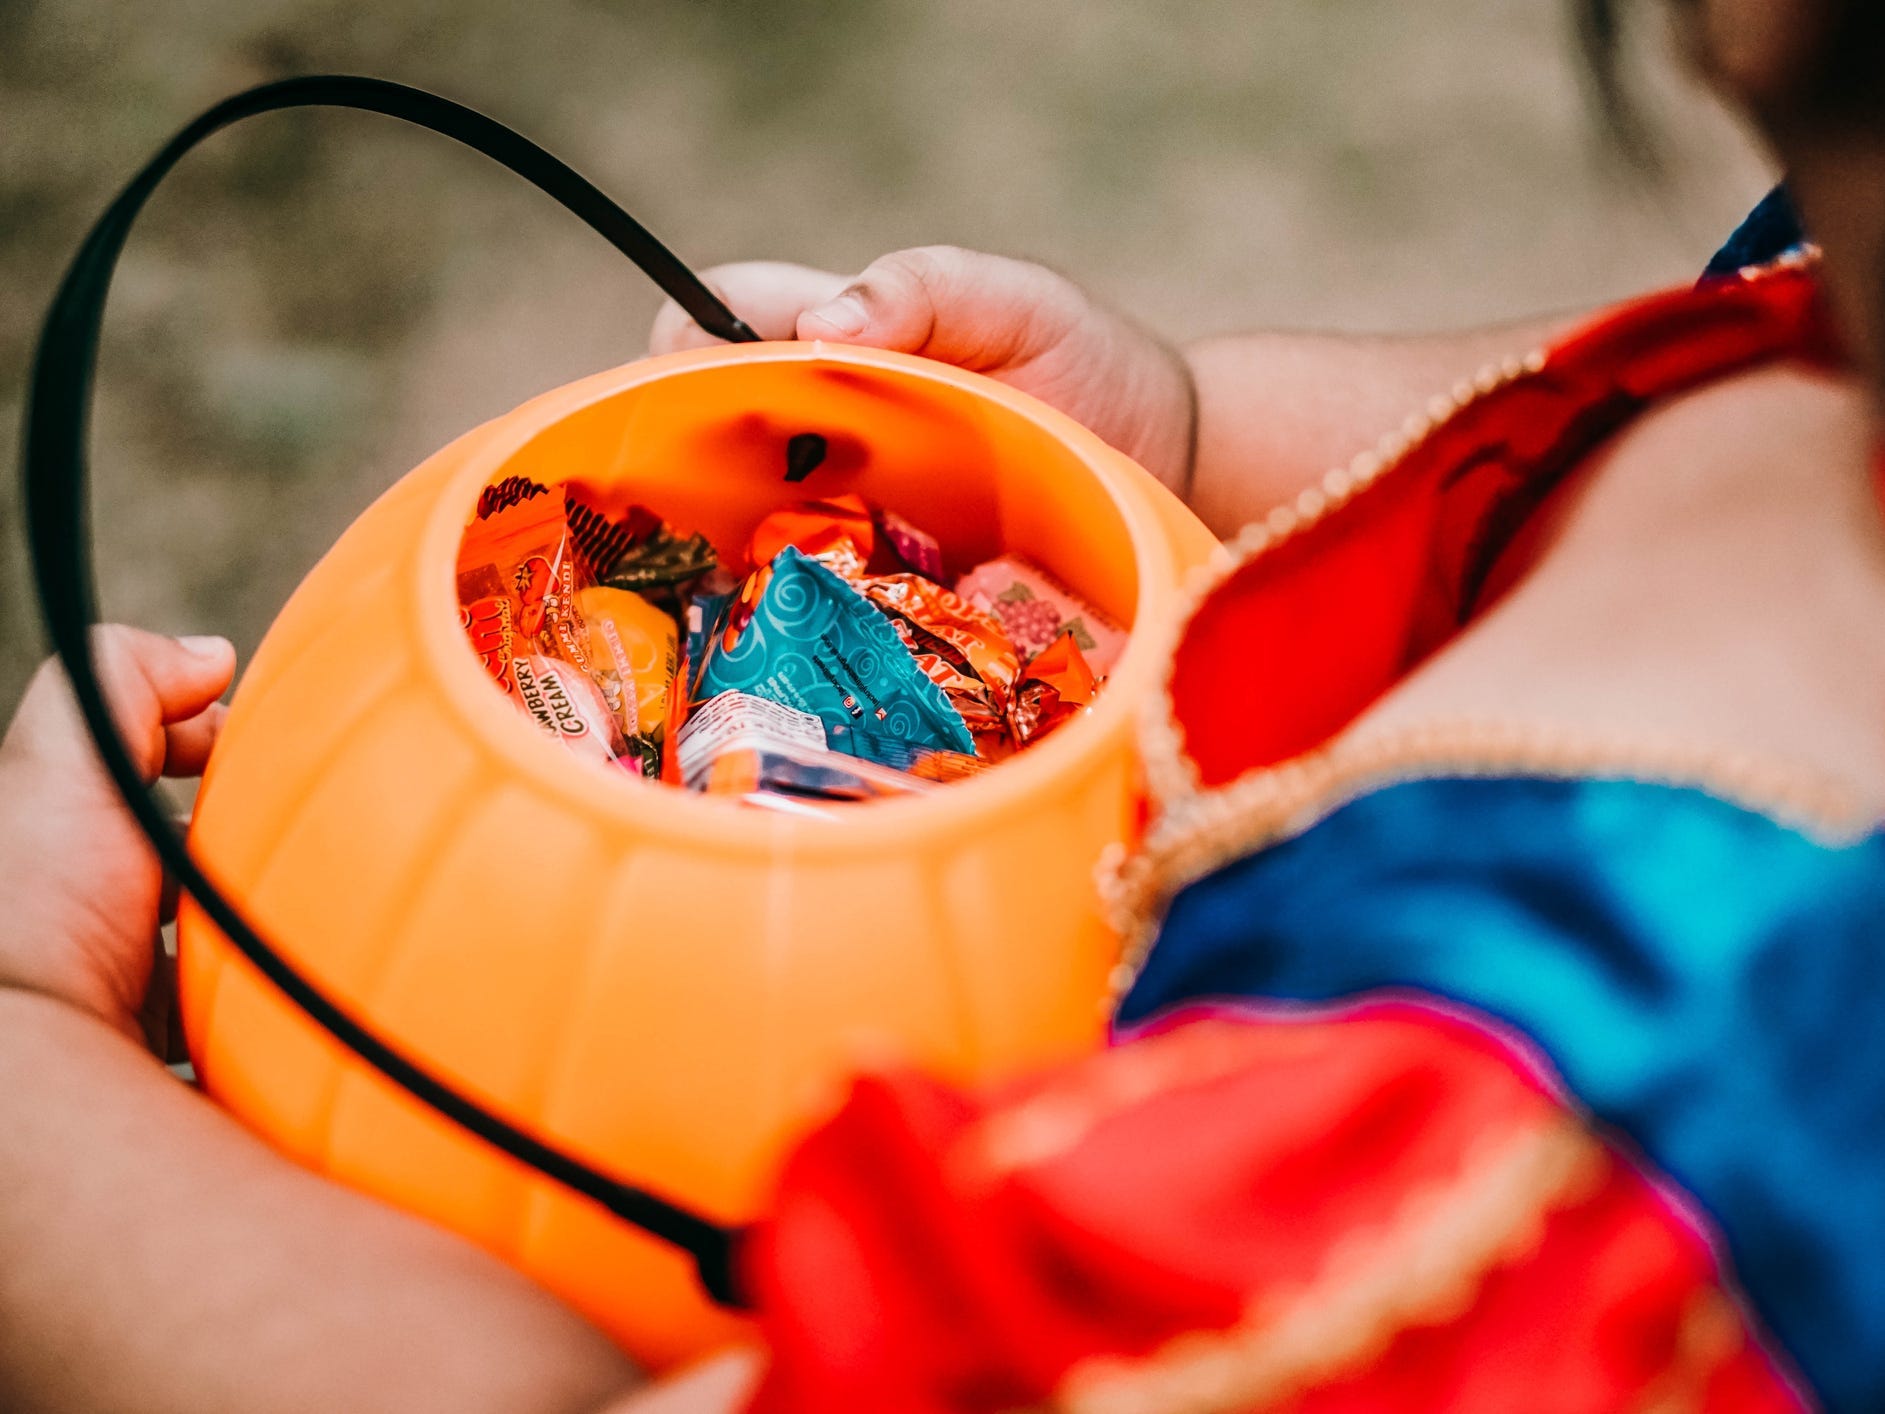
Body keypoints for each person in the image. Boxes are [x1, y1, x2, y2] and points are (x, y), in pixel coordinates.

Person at [3, 0, 1882, 1408]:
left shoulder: (1488, 1208)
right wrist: (1197, 431)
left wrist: (34, 1088)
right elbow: (1608, 402)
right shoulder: (1836, 320)